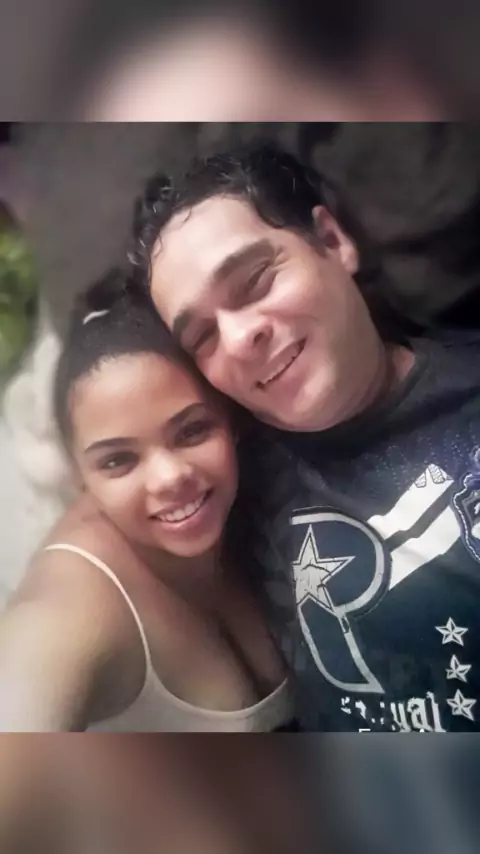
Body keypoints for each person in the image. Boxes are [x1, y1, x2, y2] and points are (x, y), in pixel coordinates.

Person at [132, 142, 480, 733]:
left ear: (333, 241)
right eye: (202, 337)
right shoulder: (227, 477)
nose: (238, 339)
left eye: (255, 281)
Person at [0, 269, 292, 732]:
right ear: (79, 477)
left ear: (230, 421)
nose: (169, 477)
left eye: (192, 431)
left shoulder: (261, 492)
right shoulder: (76, 609)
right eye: (118, 460)